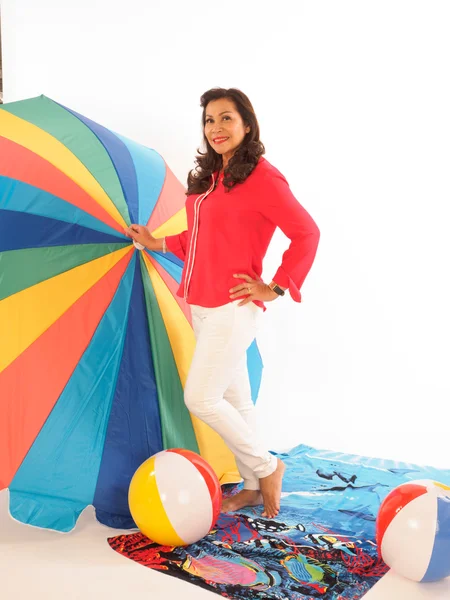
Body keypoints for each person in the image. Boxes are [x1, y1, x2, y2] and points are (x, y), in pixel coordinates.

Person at [125, 88, 320, 519]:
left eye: (226, 118)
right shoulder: (211, 178)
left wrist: (277, 285)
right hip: (200, 303)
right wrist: (156, 242)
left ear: (246, 124)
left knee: (201, 398)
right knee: (236, 398)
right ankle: (251, 486)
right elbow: (198, 236)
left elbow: (307, 232)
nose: (216, 128)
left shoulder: (263, 178)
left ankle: (268, 468)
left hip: (233, 307)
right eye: (210, 120)